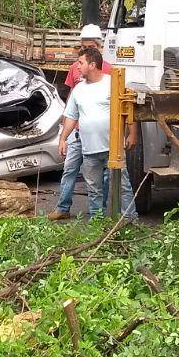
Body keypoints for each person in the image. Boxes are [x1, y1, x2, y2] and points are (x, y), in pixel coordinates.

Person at [57, 47, 137, 218]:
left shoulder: (112, 83)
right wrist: (63, 138)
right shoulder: (79, 89)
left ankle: (130, 220)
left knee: (122, 186)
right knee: (94, 190)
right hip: (89, 150)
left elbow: (127, 108)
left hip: (112, 147)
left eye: (81, 62)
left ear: (92, 64)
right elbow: (71, 117)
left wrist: (132, 133)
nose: (77, 66)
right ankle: (97, 223)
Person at [49, 24, 113, 221]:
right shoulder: (75, 68)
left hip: (100, 137)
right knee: (70, 168)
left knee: (102, 176)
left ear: (98, 47)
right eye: (83, 46)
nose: (84, 49)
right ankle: (63, 207)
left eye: (89, 46)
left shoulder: (108, 71)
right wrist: (65, 131)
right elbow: (72, 97)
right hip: (77, 130)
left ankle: (98, 213)